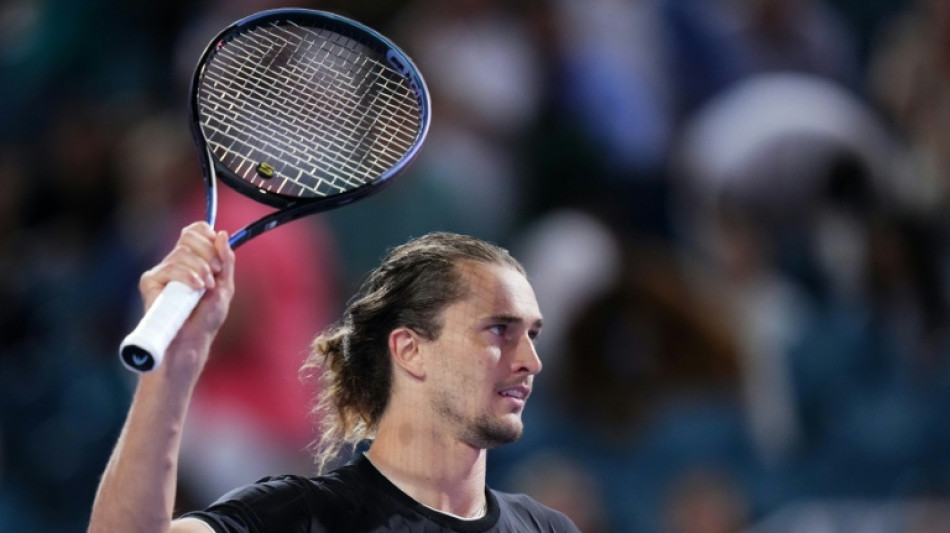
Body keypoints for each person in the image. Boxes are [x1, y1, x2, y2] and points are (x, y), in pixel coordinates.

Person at [88, 222, 579, 532]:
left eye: (533, 334)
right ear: (410, 350)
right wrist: (174, 368)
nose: (531, 360)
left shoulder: (548, 528)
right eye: (499, 330)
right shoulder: (298, 517)